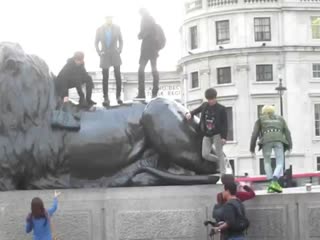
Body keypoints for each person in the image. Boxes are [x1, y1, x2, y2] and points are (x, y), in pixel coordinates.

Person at [250, 105, 292, 193]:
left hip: (266, 140)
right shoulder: (281, 119)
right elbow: (287, 132)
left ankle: (271, 183)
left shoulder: (260, 120)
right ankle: (274, 181)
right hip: (279, 140)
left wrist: (252, 149)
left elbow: (254, 134)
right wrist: (290, 146)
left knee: (267, 161)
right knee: (280, 162)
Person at [185, 88, 228, 174]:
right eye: (208, 99)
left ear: (215, 98)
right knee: (205, 154)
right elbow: (196, 110)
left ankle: (224, 175)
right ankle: (220, 161)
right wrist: (190, 113)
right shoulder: (205, 105)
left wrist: (224, 137)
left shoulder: (221, 109)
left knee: (219, 153)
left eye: (212, 99)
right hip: (206, 134)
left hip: (217, 134)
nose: (210, 101)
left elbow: (225, 124)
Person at [136, 8, 165, 99]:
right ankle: (143, 93)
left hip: (151, 50)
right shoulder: (145, 21)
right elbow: (142, 34)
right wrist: (141, 35)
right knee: (143, 70)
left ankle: (153, 92)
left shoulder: (150, 22)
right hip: (146, 50)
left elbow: (148, 34)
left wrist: (142, 35)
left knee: (152, 70)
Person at [95, 16, 123, 107]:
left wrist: (119, 49)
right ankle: (106, 98)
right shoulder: (99, 29)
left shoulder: (117, 28)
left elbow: (121, 41)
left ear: (112, 19)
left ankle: (118, 96)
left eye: (110, 18)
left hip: (115, 54)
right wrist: (99, 52)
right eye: (107, 18)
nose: (109, 20)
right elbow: (96, 42)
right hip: (104, 55)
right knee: (105, 77)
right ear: (105, 19)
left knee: (118, 75)